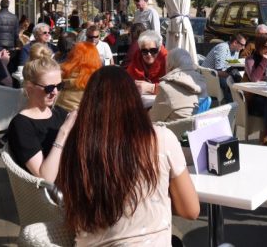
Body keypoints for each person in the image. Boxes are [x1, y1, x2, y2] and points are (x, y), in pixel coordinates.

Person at [56, 66, 200, 245]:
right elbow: (191, 210)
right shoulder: (161, 139)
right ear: (134, 100)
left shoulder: (76, 145)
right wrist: (151, 198)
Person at [7, 55, 77, 180]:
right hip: (57, 191)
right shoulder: (21, 125)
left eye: (59, 86)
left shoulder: (58, 112)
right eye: (49, 88)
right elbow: (46, 177)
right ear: (29, 88)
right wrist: (63, 132)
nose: (55, 92)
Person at [149, 48, 208, 122]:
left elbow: (154, 119)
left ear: (169, 65)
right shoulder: (202, 81)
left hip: (172, 131)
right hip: (196, 128)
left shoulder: (166, 87)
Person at [57, 42, 102, 113]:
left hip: (59, 113)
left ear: (73, 54)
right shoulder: (97, 79)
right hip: (82, 116)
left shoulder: (60, 71)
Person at [201, 33, 247, 103]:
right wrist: (233, 76)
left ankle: (240, 105)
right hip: (209, 76)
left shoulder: (236, 50)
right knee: (231, 83)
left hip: (221, 74)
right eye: (242, 45)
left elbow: (233, 66)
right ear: (235, 42)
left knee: (241, 80)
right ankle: (232, 106)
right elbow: (219, 71)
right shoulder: (222, 48)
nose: (243, 48)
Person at [126, 30, 168, 95]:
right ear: (140, 50)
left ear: (159, 49)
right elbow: (126, 82)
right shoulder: (136, 60)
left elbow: (174, 88)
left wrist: (152, 88)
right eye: (144, 51)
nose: (149, 54)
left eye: (153, 50)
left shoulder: (168, 61)